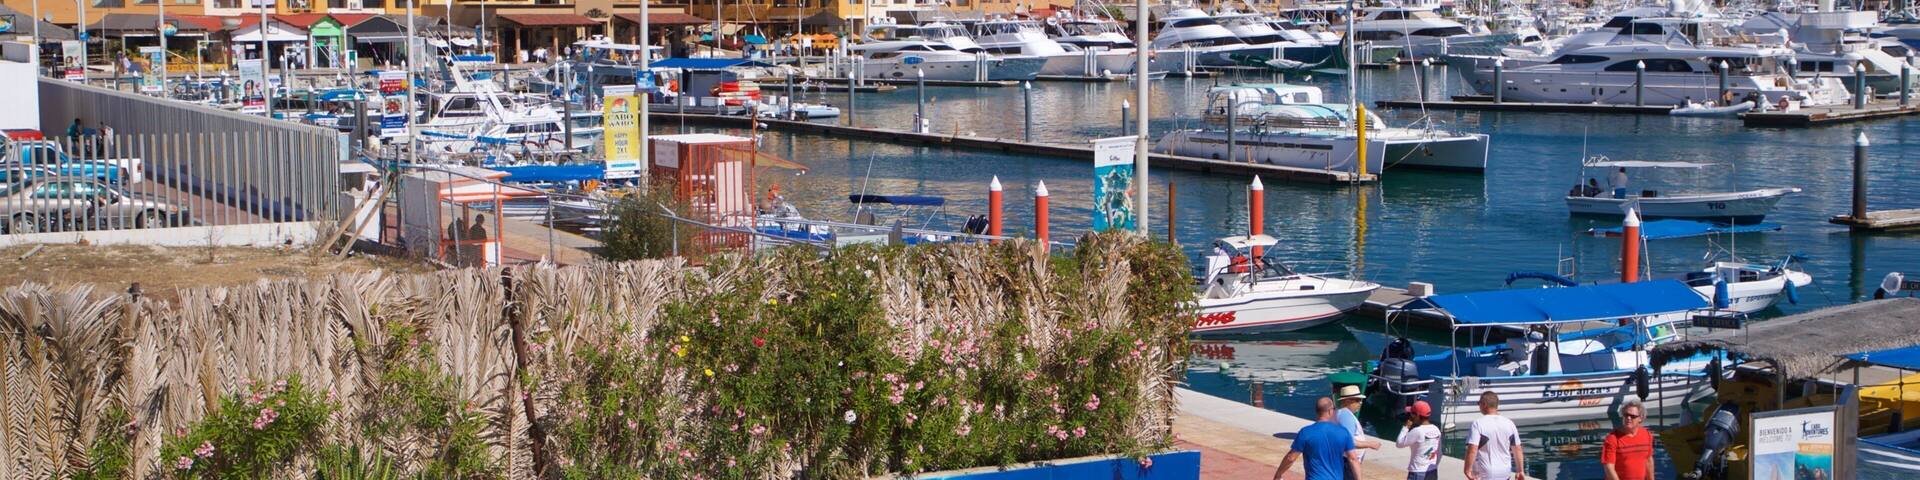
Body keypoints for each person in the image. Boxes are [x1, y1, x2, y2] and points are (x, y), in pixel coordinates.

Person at [1273, 397, 1361, 480]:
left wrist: (1278, 474)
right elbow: (1353, 459)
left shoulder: (1306, 432)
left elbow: (1291, 458)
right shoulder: (1343, 432)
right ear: (1330, 411)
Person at [1465, 391, 1524, 480]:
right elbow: (1517, 449)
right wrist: (1520, 471)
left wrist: (1467, 469)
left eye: (1479, 403)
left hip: (1485, 473)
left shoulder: (1478, 424)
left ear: (1484, 404)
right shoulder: (1509, 423)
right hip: (1505, 471)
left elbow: (1472, 450)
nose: (1478, 406)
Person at [1602, 400, 1655, 480]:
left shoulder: (1647, 435)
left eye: (1632, 416)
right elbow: (1609, 467)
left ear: (1640, 418)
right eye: (1626, 415)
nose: (1628, 418)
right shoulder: (1612, 438)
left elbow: (1648, 460)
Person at [1334, 385, 1384, 462]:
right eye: (1357, 400)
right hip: (1347, 461)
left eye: (1361, 400)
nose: (1360, 403)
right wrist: (1370, 444)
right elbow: (1349, 441)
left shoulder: (1341, 413)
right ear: (1347, 401)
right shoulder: (1346, 416)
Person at [1397, 400, 1442, 480]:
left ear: (1417, 415)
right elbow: (1440, 453)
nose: (1410, 415)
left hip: (1417, 472)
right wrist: (1434, 466)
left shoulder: (1417, 431)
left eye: (1411, 413)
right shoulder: (1436, 430)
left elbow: (1399, 443)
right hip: (1432, 471)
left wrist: (1406, 427)